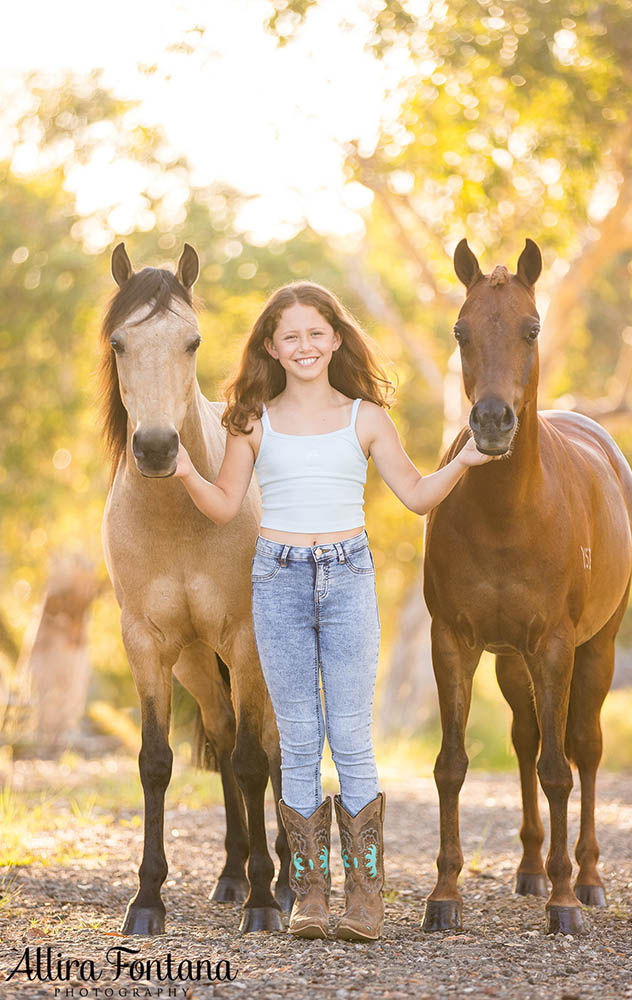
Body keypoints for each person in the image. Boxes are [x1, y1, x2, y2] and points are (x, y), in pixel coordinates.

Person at [174, 281, 494, 941]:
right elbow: (224, 506)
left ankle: (364, 899)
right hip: (277, 579)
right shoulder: (251, 419)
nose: (304, 346)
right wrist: (181, 469)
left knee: (349, 739)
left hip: (347, 577)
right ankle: (311, 897)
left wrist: (465, 456)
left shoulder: (366, 417)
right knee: (297, 741)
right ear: (270, 345)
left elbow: (416, 495)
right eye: (289, 336)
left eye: (315, 333)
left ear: (336, 338)